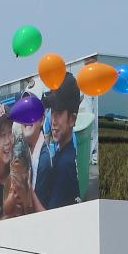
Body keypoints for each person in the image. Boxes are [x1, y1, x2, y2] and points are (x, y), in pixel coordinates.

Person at [31, 76, 82, 211]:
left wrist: (29, 191)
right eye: (52, 112)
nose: (53, 120)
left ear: (72, 119)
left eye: (58, 113)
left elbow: (50, 219)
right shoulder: (66, 151)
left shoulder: (64, 165)